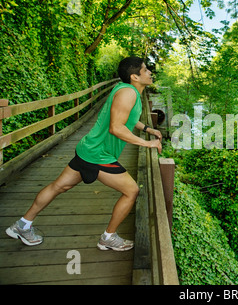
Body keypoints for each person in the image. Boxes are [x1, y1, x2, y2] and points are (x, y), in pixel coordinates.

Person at [5, 56, 162, 251]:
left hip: (89, 149)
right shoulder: (128, 93)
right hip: (99, 155)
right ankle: (108, 237)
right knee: (131, 191)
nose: (149, 72)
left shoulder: (128, 91)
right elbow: (116, 128)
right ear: (134, 77)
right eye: (145, 69)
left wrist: (148, 129)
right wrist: (147, 144)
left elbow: (127, 118)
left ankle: (22, 225)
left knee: (58, 187)